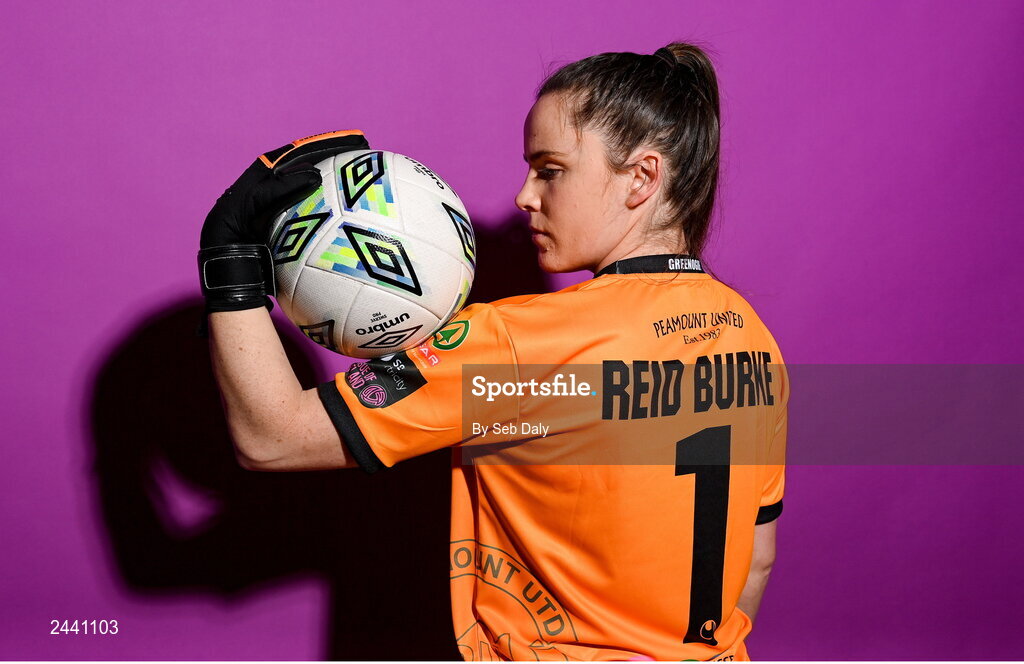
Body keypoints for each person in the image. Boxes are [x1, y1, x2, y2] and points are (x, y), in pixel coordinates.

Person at [197, 42, 787, 661]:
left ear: (641, 177)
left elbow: (272, 438)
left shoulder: (521, 344)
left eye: (550, 169)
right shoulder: (753, 341)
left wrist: (228, 256)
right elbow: (755, 562)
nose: (525, 196)